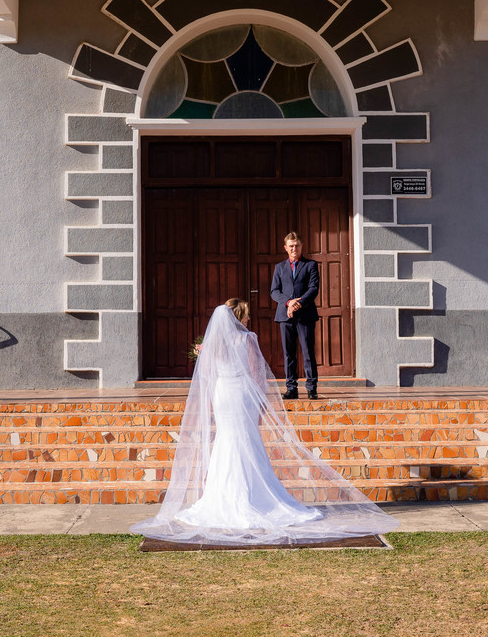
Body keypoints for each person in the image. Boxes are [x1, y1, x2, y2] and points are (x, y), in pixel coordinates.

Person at [130, 299, 397, 546]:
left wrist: (214, 396)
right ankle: (255, 498)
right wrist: (260, 403)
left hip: (222, 394)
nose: (248, 321)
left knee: (226, 440)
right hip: (240, 394)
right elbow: (257, 374)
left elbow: (208, 374)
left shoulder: (215, 343)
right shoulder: (247, 339)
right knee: (246, 439)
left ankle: (221, 498)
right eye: (246, 316)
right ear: (239, 317)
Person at [270, 232, 320, 400]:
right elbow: (274, 291)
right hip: (285, 316)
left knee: (307, 352)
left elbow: (313, 288)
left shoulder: (311, 265)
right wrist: (289, 302)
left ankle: (311, 388)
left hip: (305, 315)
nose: (294, 248)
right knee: (289, 354)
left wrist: (298, 303)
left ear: (301, 246)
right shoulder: (279, 268)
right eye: (291, 246)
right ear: (285, 248)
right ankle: (291, 388)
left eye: (297, 245)